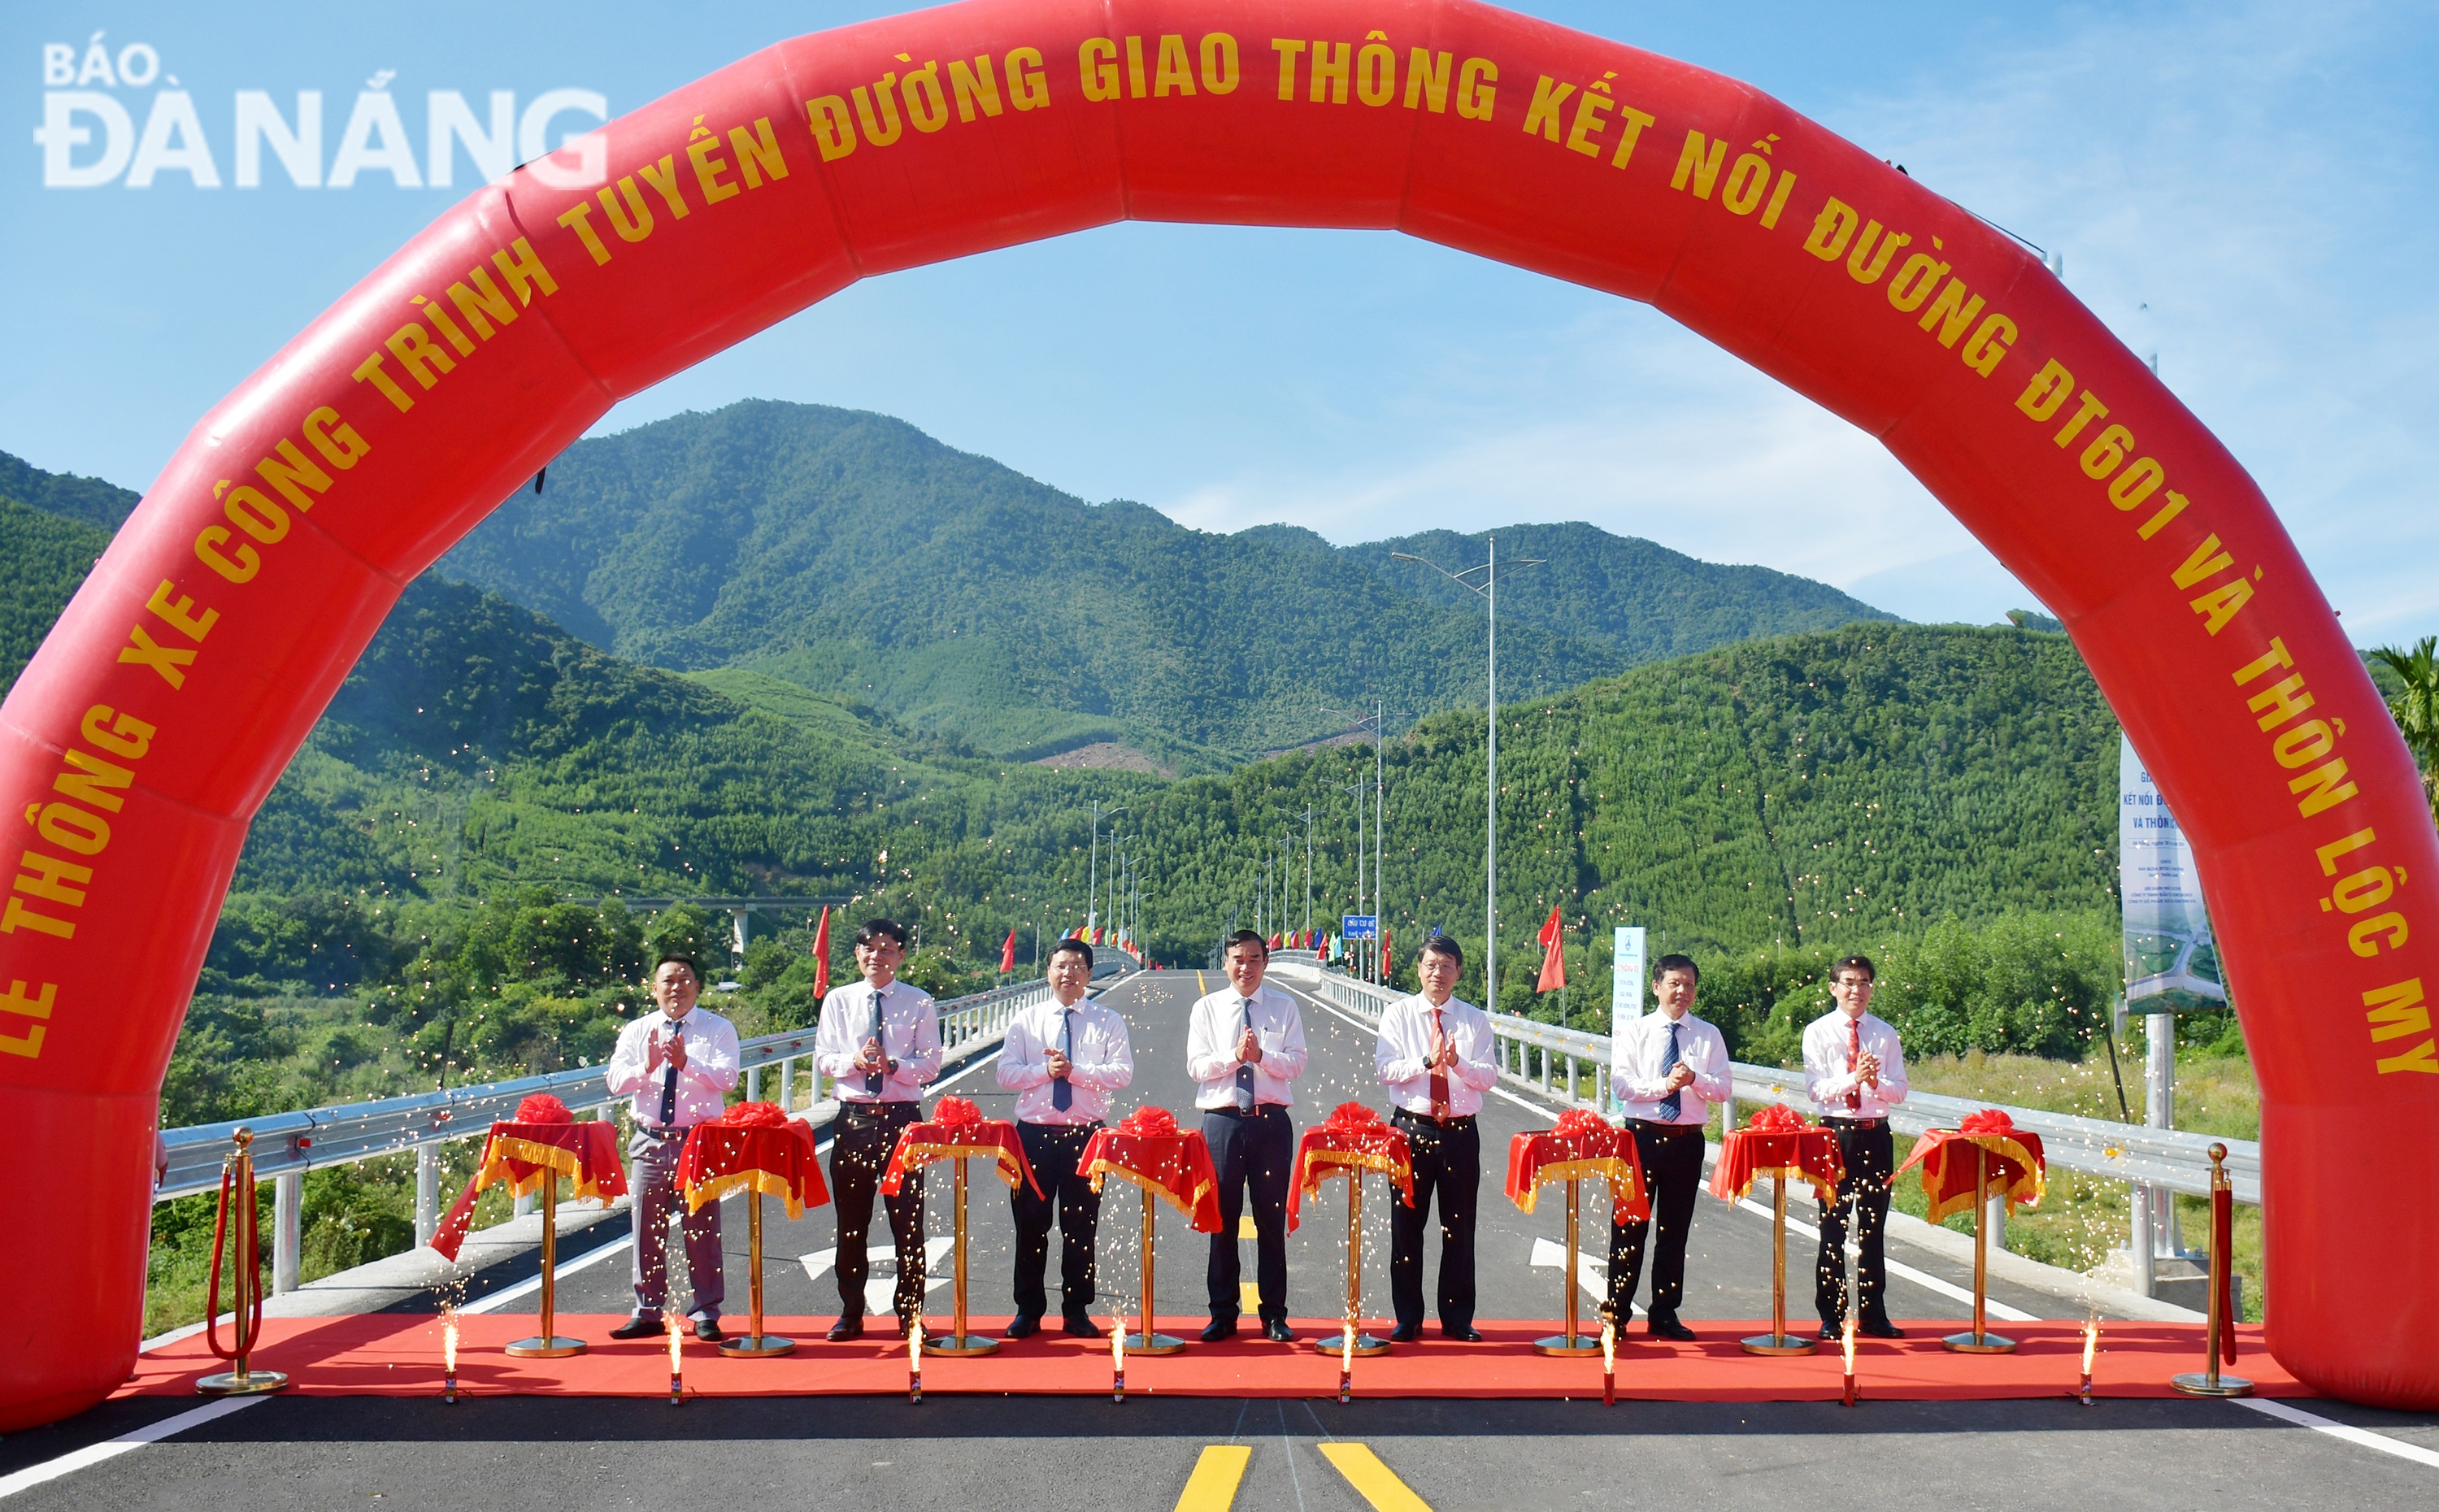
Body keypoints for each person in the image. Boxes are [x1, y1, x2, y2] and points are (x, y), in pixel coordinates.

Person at [996, 936, 1135, 1338]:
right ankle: (1028, 1311)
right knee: (1030, 1225)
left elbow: (1121, 1074)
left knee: (1081, 1227)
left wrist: (1075, 1072)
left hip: (1086, 1137)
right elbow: (1006, 1074)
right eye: (1061, 966)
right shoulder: (1027, 1020)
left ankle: (1076, 1310)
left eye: (1077, 966)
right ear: (1048, 972)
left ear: (1090, 974)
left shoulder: (1107, 1021)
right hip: (1033, 1136)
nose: (1068, 973)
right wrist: (1046, 1073)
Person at [814, 918, 942, 1341]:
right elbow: (823, 1059)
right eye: (868, 948)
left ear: (902, 955)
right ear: (857, 954)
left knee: (908, 1222)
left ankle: (911, 1315)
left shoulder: (920, 1002)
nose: (877, 956)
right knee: (852, 1221)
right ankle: (851, 1312)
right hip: (853, 1118)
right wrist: (854, 1061)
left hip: (903, 1119)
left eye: (887, 948)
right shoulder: (839, 1000)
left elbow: (930, 1063)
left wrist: (892, 1066)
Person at [603, 952, 741, 1340]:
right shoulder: (637, 1030)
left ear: (698, 987)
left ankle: (706, 1312)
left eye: (685, 979)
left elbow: (728, 1078)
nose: (676, 987)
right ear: (654, 988)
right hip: (649, 1141)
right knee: (647, 1227)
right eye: (668, 980)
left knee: (702, 1229)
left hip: (698, 1142)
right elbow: (615, 1081)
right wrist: (647, 1067)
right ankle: (648, 1309)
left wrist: (687, 1062)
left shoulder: (718, 1029)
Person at [1186, 929, 1307, 1341]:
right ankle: (1222, 1313)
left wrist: (1261, 1058)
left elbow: (1296, 1063)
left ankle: (1274, 1314)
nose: (1246, 967)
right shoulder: (1207, 1009)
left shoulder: (1284, 1007)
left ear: (1266, 962)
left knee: (1270, 1220)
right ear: (1226, 962)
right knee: (1222, 1221)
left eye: (1254, 959)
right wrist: (1234, 1058)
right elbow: (1197, 1067)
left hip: (1271, 1123)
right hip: (1222, 1123)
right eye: (1238, 959)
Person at [1374, 932, 1496, 1341]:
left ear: (1458, 972)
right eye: (1431, 965)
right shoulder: (1398, 1015)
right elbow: (1385, 1070)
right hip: (1411, 1129)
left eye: (1446, 966)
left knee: (1459, 1227)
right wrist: (1427, 1060)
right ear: (1419, 969)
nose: (1438, 974)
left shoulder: (1474, 1020)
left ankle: (1457, 1318)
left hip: (1460, 1133)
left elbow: (1489, 1078)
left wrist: (1457, 1062)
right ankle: (1408, 1316)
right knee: (1406, 1225)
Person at [1604, 954, 1729, 1342]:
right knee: (1628, 1226)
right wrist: (1664, 1086)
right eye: (1674, 983)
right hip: (1640, 1139)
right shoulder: (1635, 1031)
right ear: (1656, 987)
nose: (1682, 991)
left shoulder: (1707, 1034)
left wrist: (1695, 1079)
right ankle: (1617, 1313)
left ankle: (1664, 1312)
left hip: (1687, 1141)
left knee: (1674, 1231)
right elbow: (1622, 1087)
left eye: (1689, 984)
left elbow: (1723, 1088)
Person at [1804, 953, 1909, 1339]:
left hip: (1876, 1133)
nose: (1856, 989)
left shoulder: (1885, 1033)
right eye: (1848, 982)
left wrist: (1875, 1083)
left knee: (1873, 1227)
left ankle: (1873, 1313)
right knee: (1833, 1225)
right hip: (1835, 1135)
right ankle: (1831, 1314)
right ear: (1833, 988)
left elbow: (1900, 1090)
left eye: (1863, 982)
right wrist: (1854, 1078)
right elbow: (1816, 1089)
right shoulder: (1818, 1032)